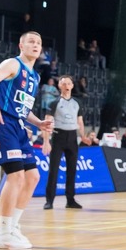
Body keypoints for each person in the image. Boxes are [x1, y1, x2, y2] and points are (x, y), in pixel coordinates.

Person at [0, 31, 54, 249]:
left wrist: (38, 123)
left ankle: (13, 227)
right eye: (31, 41)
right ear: (21, 45)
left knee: (33, 177)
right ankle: (3, 232)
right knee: (16, 176)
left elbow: (23, 107)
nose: (35, 45)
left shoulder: (35, 76)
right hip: (3, 123)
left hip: (19, 125)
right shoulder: (12, 64)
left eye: (39, 42)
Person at [42, 75, 85, 210]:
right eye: (63, 83)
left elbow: (80, 122)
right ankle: (49, 201)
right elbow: (47, 122)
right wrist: (46, 141)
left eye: (68, 83)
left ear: (72, 86)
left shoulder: (77, 102)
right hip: (58, 136)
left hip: (72, 137)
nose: (66, 86)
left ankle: (70, 200)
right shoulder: (54, 103)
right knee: (53, 170)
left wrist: (83, 136)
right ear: (59, 86)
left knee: (72, 170)